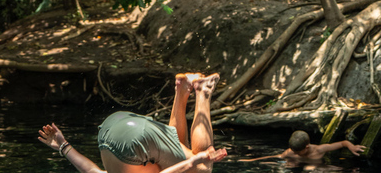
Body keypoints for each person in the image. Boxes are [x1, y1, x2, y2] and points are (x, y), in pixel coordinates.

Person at [38, 73, 228, 173]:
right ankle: (182, 87)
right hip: (110, 128)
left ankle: (203, 90)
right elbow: (90, 170)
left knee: (202, 168)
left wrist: (197, 161)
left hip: (135, 141)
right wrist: (63, 145)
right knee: (176, 149)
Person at [239, 130, 366, 163]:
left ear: (307, 147)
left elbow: (342, 143)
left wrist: (352, 147)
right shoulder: (290, 152)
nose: (296, 154)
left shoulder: (320, 149)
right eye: (294, 151)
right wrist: (252, 160)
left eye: (298, 152)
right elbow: (275, 157)